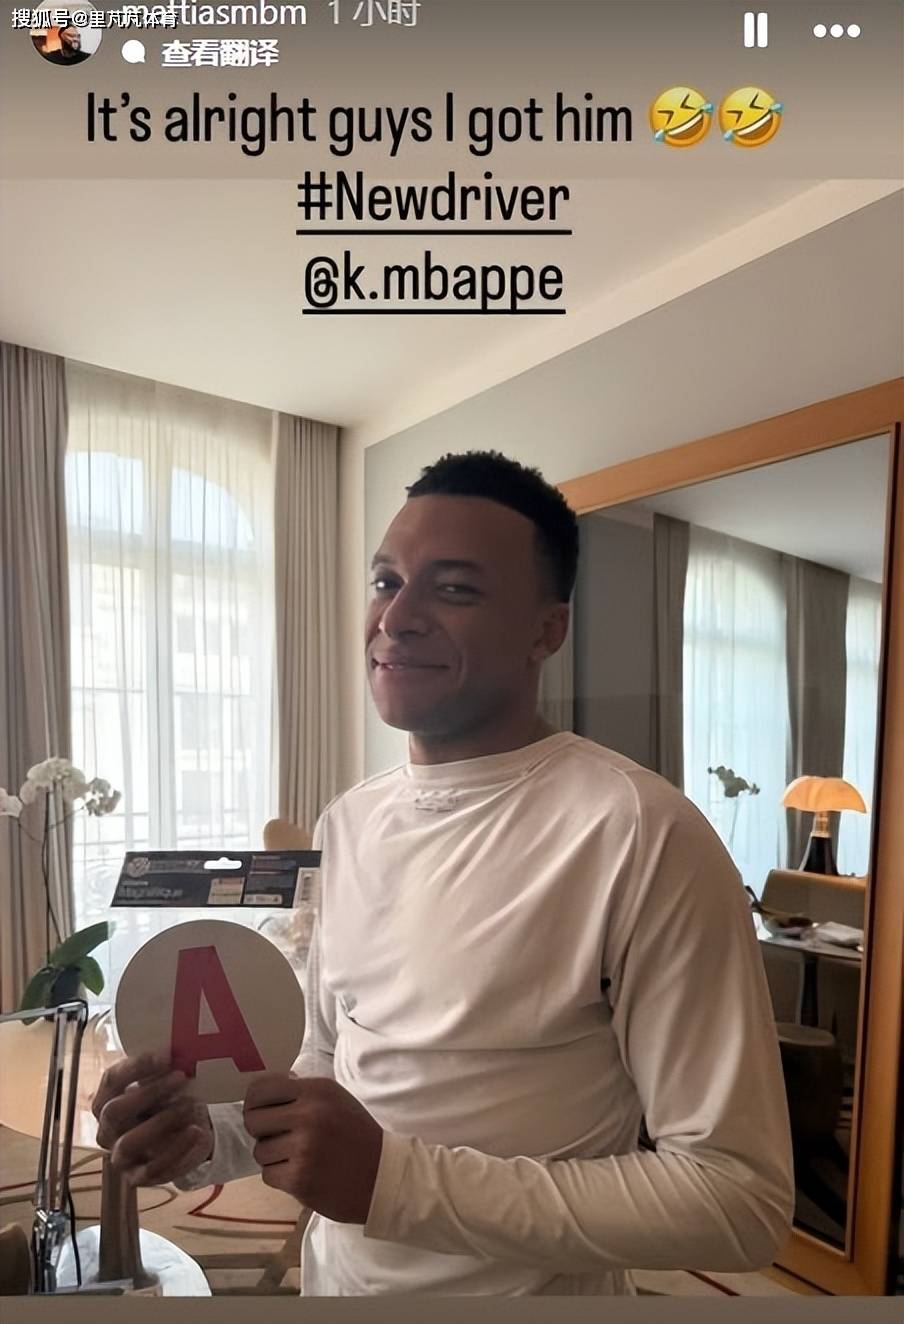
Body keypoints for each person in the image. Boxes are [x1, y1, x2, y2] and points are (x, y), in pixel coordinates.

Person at [92, 450, 794, 1295]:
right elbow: (330, 1063)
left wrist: (394, 1183)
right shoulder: (349, 822)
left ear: (547, 631)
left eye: (454, 589)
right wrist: (208, 1135)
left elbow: (736, 1197)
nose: (397, 617)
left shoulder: (640, 833)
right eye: (386, 582)